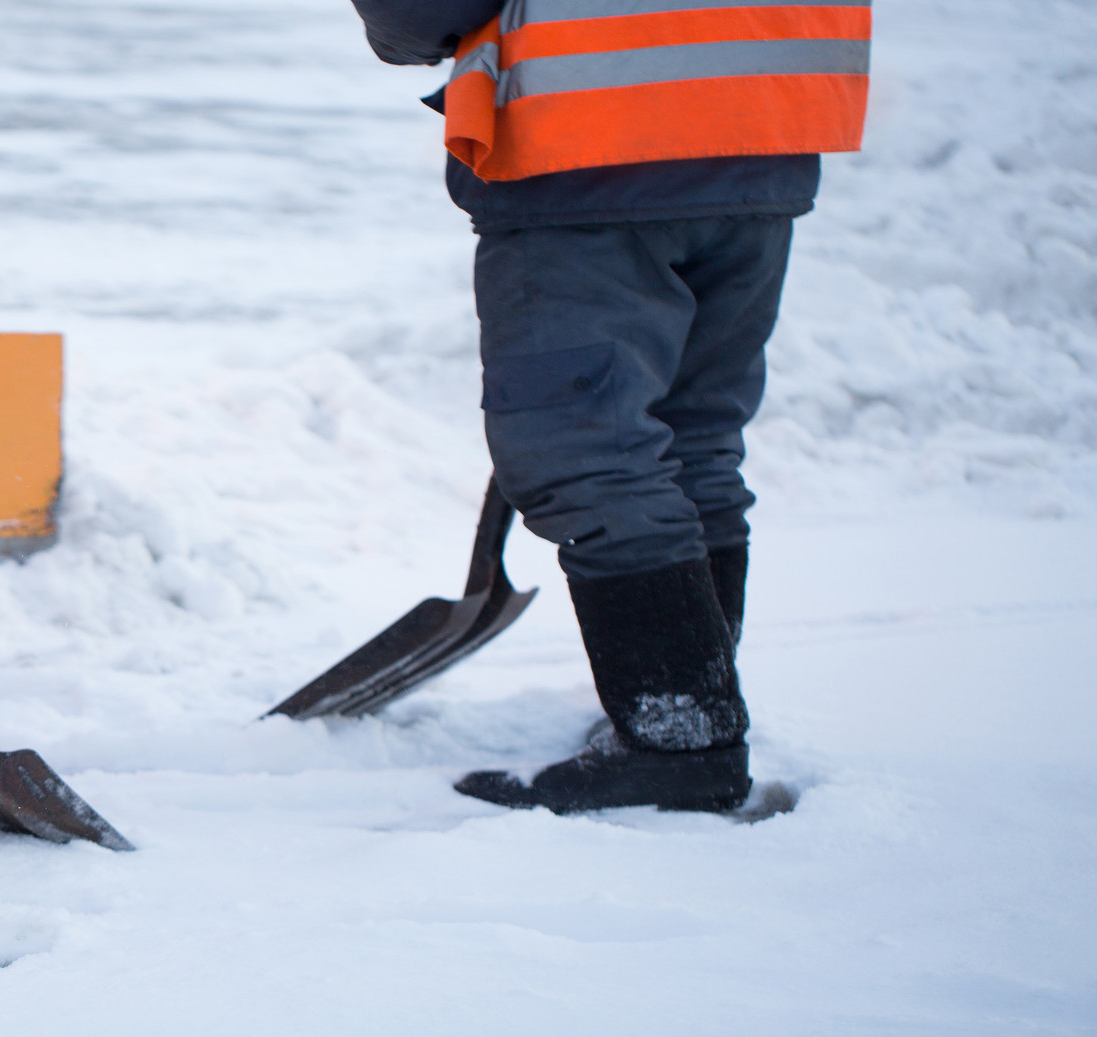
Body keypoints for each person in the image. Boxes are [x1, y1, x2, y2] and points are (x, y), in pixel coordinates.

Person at [347, 0, 869, 811]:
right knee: (688, 435)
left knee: (588, 452)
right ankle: (685, 710)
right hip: (767, 115)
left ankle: (678, 742)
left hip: (597, 139)